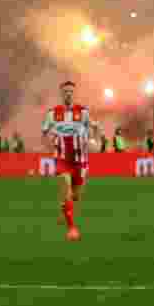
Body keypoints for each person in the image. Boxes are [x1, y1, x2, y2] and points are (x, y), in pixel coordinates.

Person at [42, 81, 91, 241]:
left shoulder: (83, 112)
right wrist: (50, 146)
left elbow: (89, 130)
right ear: (61, 94)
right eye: (65, 91)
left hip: (80, 159)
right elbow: (45, 133)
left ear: (74, 93)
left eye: (70, 91)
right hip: (61, 157)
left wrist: (91, 141)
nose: (68, 94)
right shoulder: (52, 113)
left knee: (75, 195)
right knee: (66, 190)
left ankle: (65, 208)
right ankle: (72, 228)